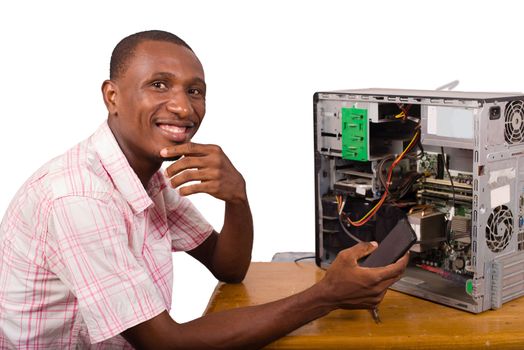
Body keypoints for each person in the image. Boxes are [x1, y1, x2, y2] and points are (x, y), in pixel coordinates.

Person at [0, 30, 408, 349]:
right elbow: (165, 344)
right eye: (159, 85)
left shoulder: (148, 177)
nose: (183, 107)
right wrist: (326, 296)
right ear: (113, 97)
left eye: (194, 91)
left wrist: (237, 197)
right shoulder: (79, 198)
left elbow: (227, 267)